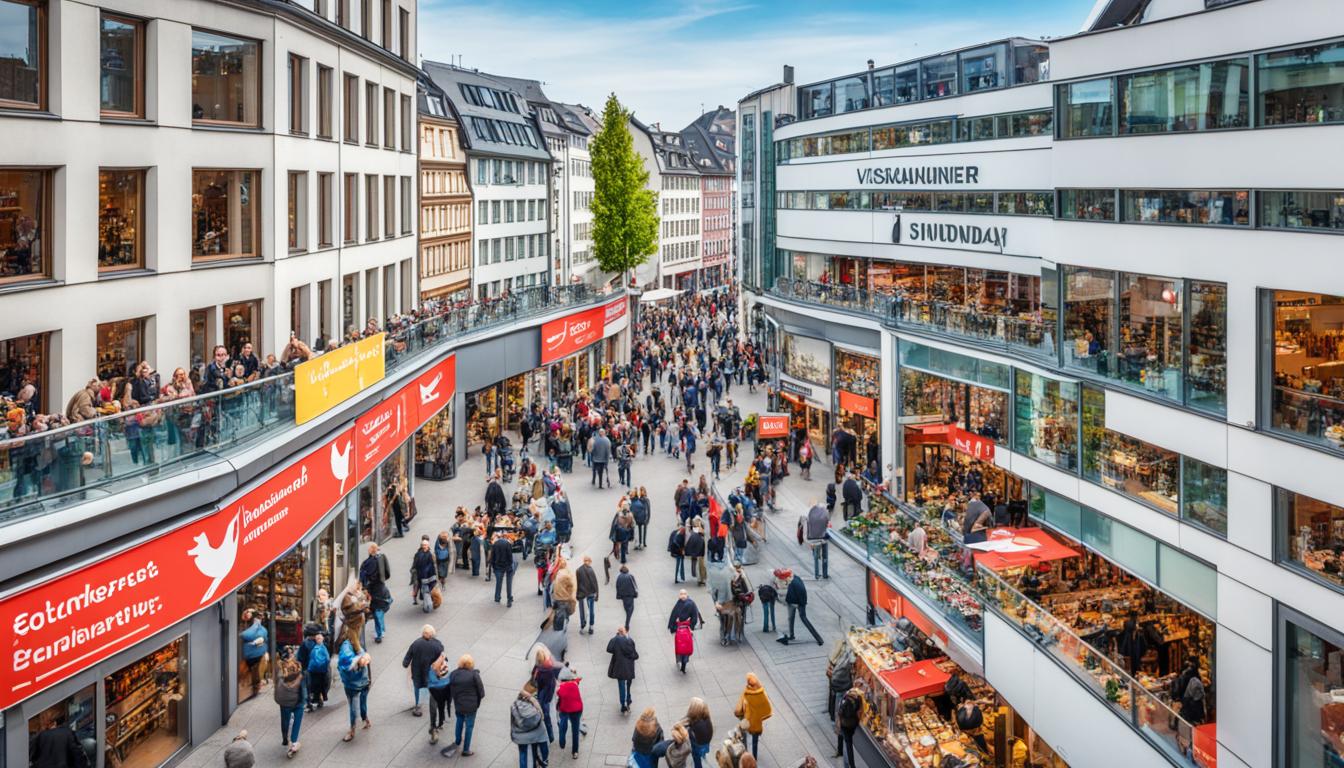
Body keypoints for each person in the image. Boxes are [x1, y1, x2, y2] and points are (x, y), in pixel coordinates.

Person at [443, 654, 485, 757]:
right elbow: (482, 693)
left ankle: (457, 741)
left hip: (459, 705)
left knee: (459, 722)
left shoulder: (453, 674)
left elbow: (450, 690)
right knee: (469, 726)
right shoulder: (474, 675)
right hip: (471, 706)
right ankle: (466, 750)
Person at [337, 632, 372, 742]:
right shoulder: (358, 644)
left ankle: (352, 729)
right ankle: (365, 719)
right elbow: (365, 659)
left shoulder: (346, 646)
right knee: (361, 702)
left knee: (353, 706)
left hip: (353, 683)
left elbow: (347, 664)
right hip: (363, 679)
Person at [403, 624, 444, 716]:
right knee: (430, 686)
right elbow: (441, 655)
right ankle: (435, 703)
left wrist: (405, 663)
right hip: (430, 671)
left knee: (417, 687)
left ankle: (418, 705)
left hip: (417, 671)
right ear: (432, 634)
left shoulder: (416, 643)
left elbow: (408, 657)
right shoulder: (437, 645)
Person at [777, 569, 823, 646]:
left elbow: (802, 593)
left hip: (799, 603)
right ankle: (791, 635)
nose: (783, 581)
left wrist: (801, 604)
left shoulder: (795, 583)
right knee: (790, 618)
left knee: (804, 619)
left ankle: (819, 639)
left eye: (783, 578)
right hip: (793, 602)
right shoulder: (793, 579)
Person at [358, 543, 393, 643]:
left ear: (371, 550)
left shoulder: (370, 562)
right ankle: (380, 630)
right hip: (380, 589)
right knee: (378, 611)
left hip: (374, 591)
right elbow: (387, 573)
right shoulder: (380, 558)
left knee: (377, 612)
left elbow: (369, 576)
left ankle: (379, 633)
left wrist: (365, 587)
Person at [273, 657, 305, 758]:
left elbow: (276, 683)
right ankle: (294, 740)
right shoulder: (300, 676)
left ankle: (285, 738)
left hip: (285, 704)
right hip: (298, 703)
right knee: (297, 721)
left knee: (285, 721)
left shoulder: (280, 676)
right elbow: (304, 690)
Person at [510, 688, 550, 768]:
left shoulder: (514, 706)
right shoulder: (535, 706)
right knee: (534, 753)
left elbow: (513, 723)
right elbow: (541, 719)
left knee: (523, 754)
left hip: (520, 737)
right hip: (536, 736)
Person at [736, 673, 772, 758]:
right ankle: (754, 757)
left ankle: (745, 754)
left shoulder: (746, 693)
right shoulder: (761, 693)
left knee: (743, 736)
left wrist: (740, 713)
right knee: (755, 741)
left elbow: (739, 707)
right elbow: (767, 708)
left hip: (747, 720)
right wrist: (761, 716)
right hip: (756, 722)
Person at [668, 589, 703, 673]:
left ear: (687, 594)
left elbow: (674, 616)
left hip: (684, 629)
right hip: (684, 629)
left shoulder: (686, 604)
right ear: (679, 595)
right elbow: (674, 615)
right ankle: (683, 662)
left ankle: (683, 662)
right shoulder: (688, 603)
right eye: (681, 594)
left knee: (682, 646)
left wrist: (673, 627)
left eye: (684, 594)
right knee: (684, 646)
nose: (683, 595)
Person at [531, 646, 561, 743]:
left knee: (545, 715)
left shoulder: (539, 669)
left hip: (543, 694)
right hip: (550, 693)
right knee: (549, 714)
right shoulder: (550, 666)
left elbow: (535, 681)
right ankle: (552, 733)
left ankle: (549, 735)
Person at [606, 626, 639, 714]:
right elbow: (635, 655)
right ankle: (628, 700)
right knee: (628, 685)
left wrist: (616, 638)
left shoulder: (615, 640)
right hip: (629, 668)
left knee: (621, 686)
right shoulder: (630, 641)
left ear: (618, 632)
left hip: (619, 667)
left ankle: (623, 704)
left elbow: (609, 649)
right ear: (625, 632)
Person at [556, 665, 584, 758]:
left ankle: (562, 740)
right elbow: (577, 679)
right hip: (577, 710)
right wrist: (574, 673)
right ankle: (575, 752)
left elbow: (558, 695)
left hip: (565, 709)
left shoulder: (560, 688)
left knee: (563, 724)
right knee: (575, 731)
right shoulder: (574, 684)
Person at [239, 608, 268, 697]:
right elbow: (245, 635)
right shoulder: (256, 628)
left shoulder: (257, 628)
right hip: (253, 654)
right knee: (254, 671)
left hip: (253, 654)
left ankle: (255, 687)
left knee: (254, 671)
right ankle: (255, 686)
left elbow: (245, 635)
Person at [835, 687, 864, 768]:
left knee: (848, 745)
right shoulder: (858, 700)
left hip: (845, 724)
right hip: (853, 724)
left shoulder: (844, 700)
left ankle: (851, 764)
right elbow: (859, 711)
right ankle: (840, 751)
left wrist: (838, 723)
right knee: (848, 742)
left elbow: (840, 713)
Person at [427, 655, 453, 744]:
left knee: (433, 709)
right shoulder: (445, 662)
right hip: (445, 688)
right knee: (442, 705)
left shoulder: (430, 667)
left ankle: (434, 728)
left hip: (435, 690)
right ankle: (440, 722)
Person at [685, 697, 714, 768]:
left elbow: (687, 731)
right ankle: (703, 757)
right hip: (706, 744)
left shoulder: (695, 724)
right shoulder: (707, 719)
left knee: (697, 759)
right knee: (702, 755)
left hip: (698, 746)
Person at [804, 500, 830, 580]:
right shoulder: (824, 513)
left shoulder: (810, 513)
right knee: (825, 556)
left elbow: (807, 526)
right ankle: (825, 574)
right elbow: (827, 524)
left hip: (813, 538)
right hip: (823, 538)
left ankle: (816, 574)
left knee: (815, 558)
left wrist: (806, 539)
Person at [491, 532, 516, 606]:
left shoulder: (495, 543)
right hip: (507, 566)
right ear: (506, 537)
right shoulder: (507, 544)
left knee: (499, 582)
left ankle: (497, 597)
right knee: (509, 583)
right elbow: (510, 556)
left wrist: (493, 566)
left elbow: (493, 555)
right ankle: (509, 599)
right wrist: (510, 565)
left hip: (498, 566)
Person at [576, 555, 600, 634]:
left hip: (582, 594)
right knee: (591, 611)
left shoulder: (578, 570)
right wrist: (597, 594)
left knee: (582, 611)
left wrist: (577, 594)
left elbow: (578, 583)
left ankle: (582, 627)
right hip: (590, 594)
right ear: (589, 561)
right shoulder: (590, 570)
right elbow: (594, 583)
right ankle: (591, 627)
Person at [412, 536, 438, 607]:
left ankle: (428, 601)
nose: (424, 546)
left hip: (428, 576)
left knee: (427, 588)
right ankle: (418, 599)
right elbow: (415, 564)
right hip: (420, 575)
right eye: (423, 545)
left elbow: (433, 565)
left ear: (428, 545)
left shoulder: (430, 554)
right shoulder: (418, 554)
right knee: (419, 587)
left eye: (425, 545)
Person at [616, 564, 639, 630]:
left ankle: (627, 620)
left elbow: (617, 586)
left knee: (626, 608)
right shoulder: (630, 576)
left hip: (623, 596)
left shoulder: (619, 577)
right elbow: (635, 585)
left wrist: (619, 595)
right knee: (631, 609)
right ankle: (627, 623)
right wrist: (635, 593)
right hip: (630, 595)